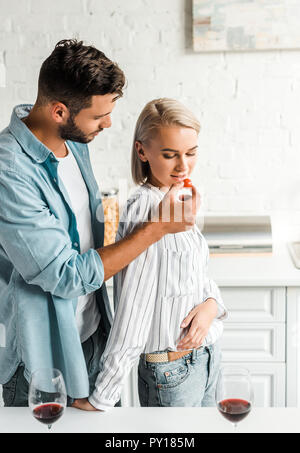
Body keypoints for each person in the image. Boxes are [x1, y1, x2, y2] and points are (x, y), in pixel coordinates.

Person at [0, 41, 201, 406]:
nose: (108, 124)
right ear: (59, 111)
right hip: (45, 358)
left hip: (94, 335)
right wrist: (155, 229)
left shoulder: (74, 142)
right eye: (98, 116)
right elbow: (65, 275)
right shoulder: (9, 171)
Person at [73, 98, 227, 411]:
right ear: (142, 151)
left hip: (207, 358)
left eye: (191, 153)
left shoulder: (179, 197)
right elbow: (133, 310)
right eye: (170, 155)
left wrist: (213, 305)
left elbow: (199, 276)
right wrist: (103, 396)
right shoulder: (146, 210)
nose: (183, 166)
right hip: (171, 373)